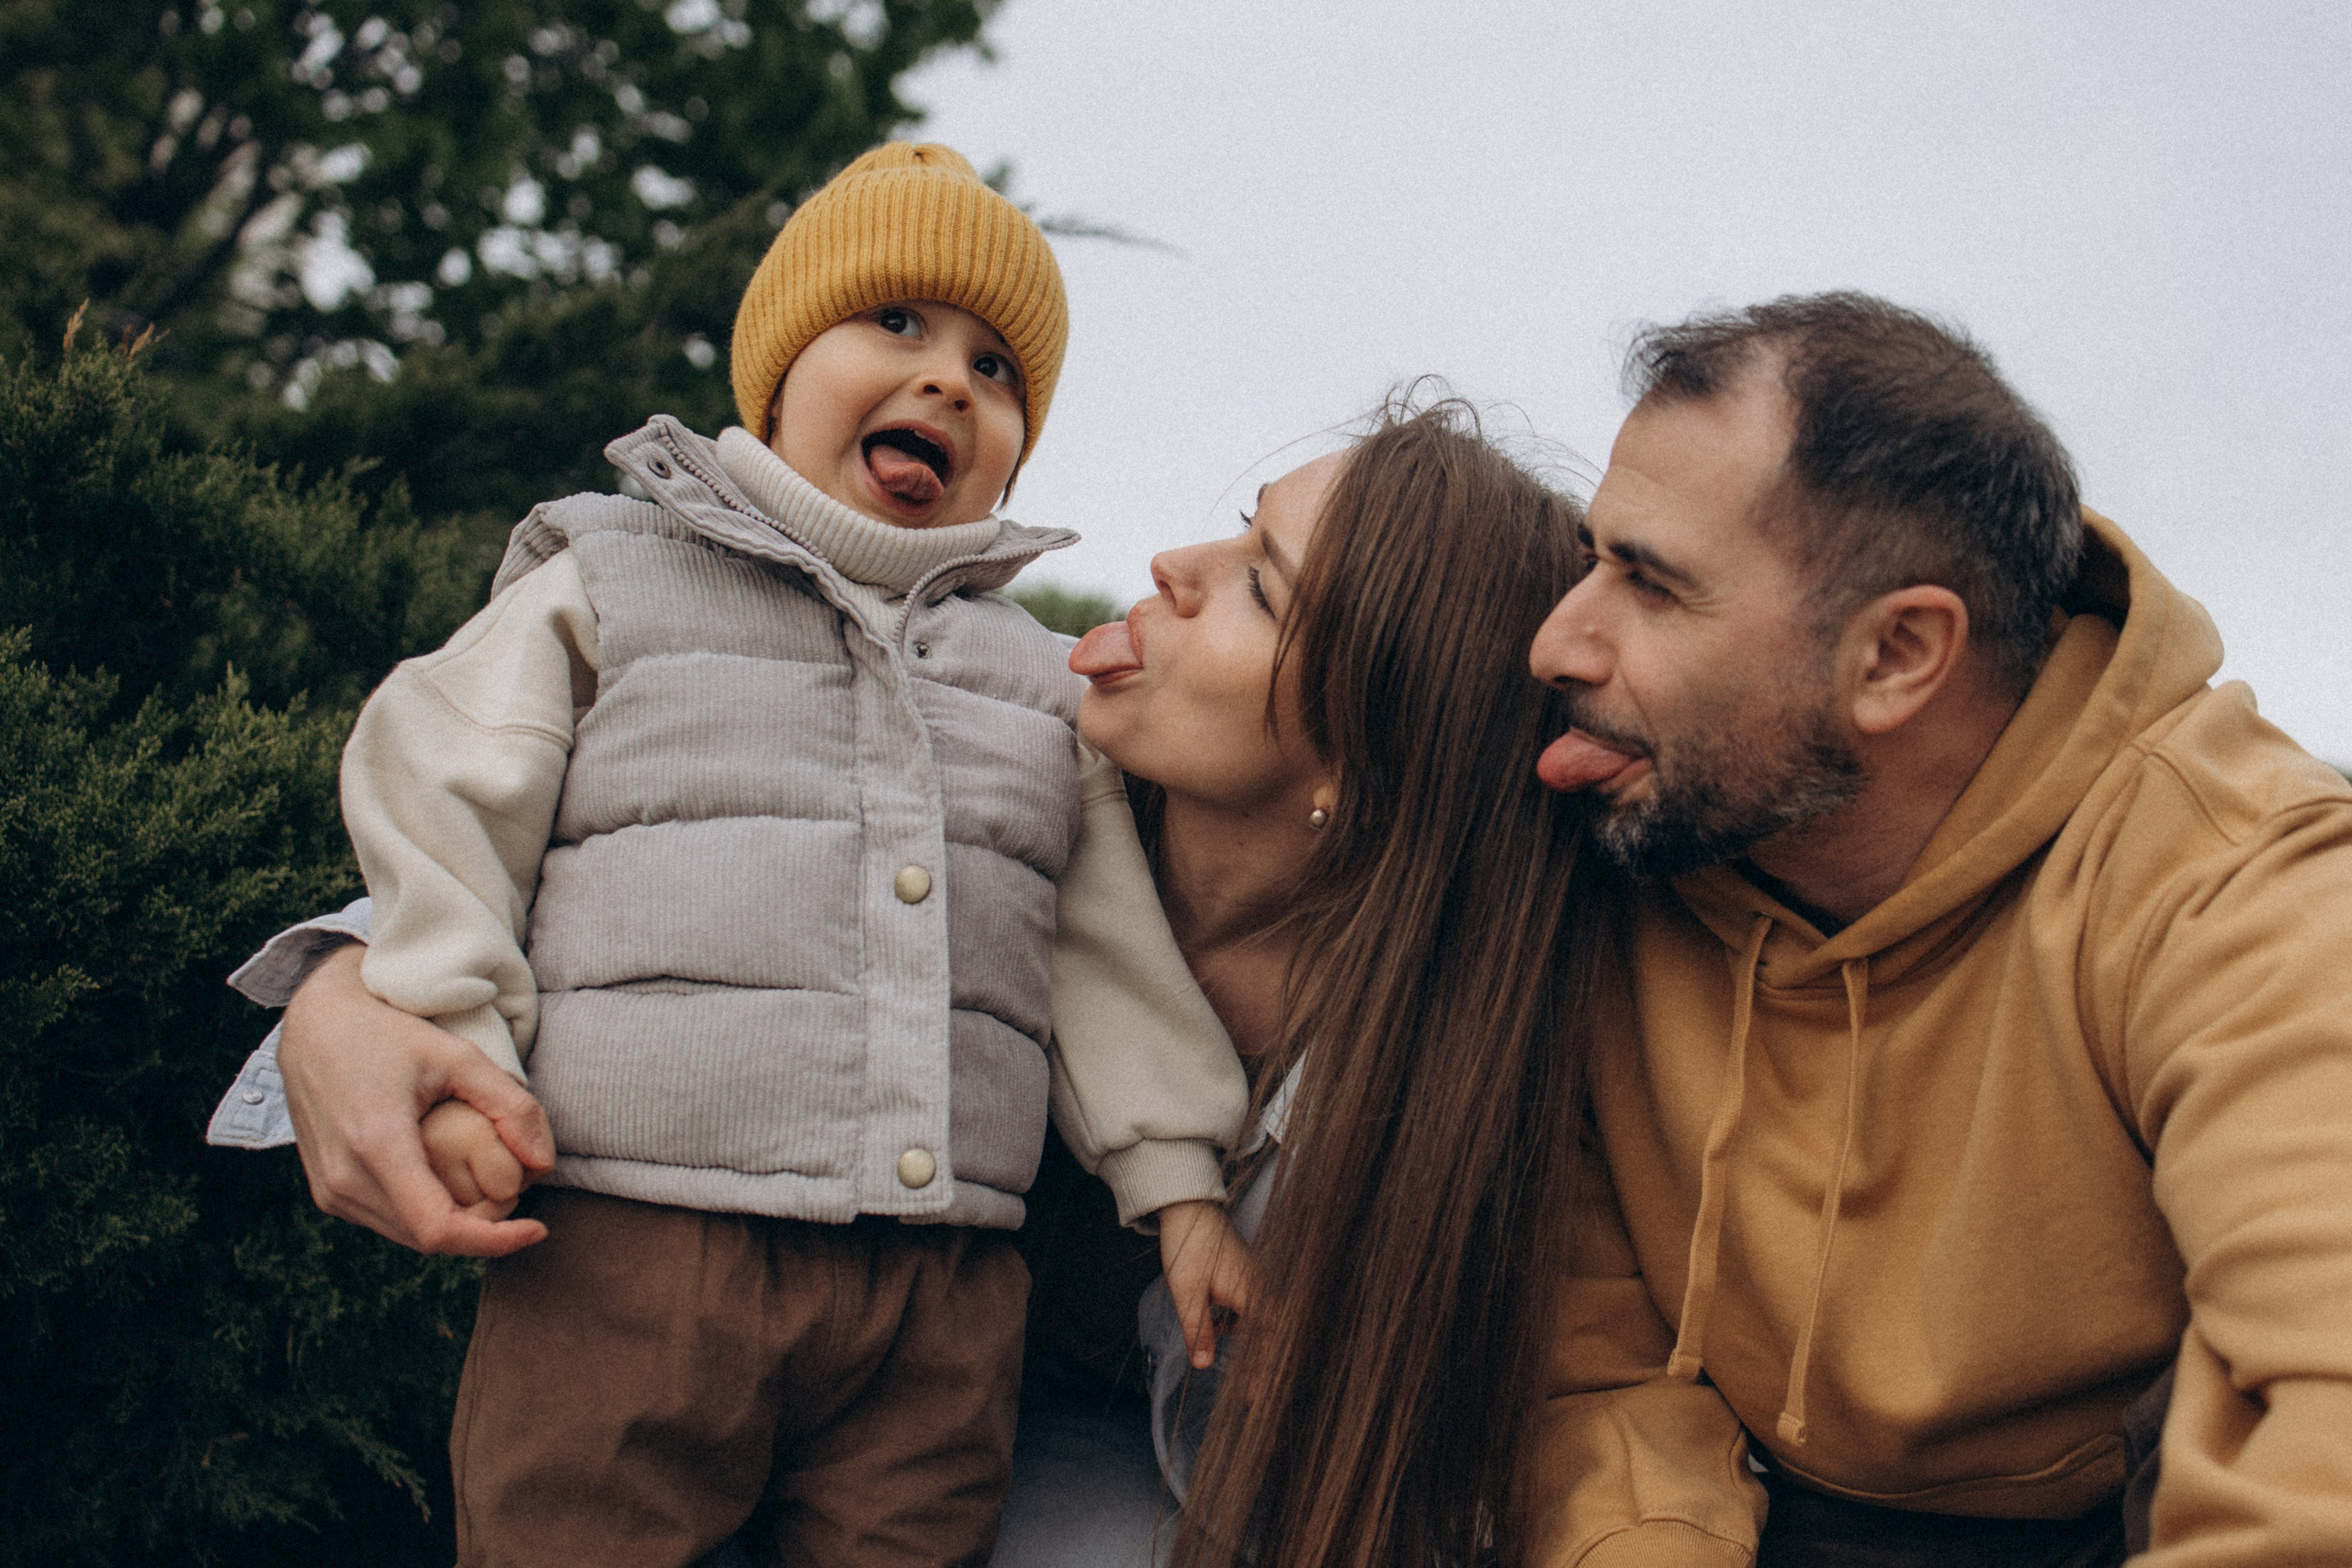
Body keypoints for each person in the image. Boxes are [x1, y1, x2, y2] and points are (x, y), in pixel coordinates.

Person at [221, 399, 1603, 1567]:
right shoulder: (1021, 768)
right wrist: (336, 996)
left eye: (1260, 581)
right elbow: (665, 846)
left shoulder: (1470, 1049)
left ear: (1370, 753)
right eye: (1240, 523)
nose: (1177, 562)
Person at [259, 139, 1254, 1568]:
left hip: (940, 1291)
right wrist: (460, 1039)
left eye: (997, 369)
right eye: (895, 323)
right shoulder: (609, 575)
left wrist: (1182, 1186)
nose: (947, 382)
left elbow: (1100, 951)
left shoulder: (1039, 687)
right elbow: (443, 798)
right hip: (629, 1249)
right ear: (777, 369)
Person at [1514, 292, 2352, 1566]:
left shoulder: (2248, 888)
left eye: (1652, 584)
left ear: (1899, 654)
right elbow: (1595, 1369)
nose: (1557, 639)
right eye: (1594, 557)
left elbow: (2327, 1424)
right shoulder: (1635, 831)